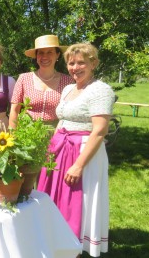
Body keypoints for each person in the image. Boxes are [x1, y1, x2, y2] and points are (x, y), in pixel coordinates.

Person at [37, 43, 114, 257]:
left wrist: (79, 165)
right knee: (55, 198)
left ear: (94, 63)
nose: (75, 67)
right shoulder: (68, 89)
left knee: (77, 202)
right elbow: (62, 121)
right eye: (71, 63)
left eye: (81, 62)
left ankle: (73, 248)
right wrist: (50, 151)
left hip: (83, 152)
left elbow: (99, 130)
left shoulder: (100, 90)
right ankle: (55, 241)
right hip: (60, 149)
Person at [9, 35, 74, 128]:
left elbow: (71, 113)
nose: (45, 56)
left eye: (49, 52)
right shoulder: (24, 78)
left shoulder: (68, 81)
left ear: (57, 55)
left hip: (56, 133)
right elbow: (14, 110)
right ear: (36, 56)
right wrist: (13, 136)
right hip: (27, 133)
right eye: (41, 53)